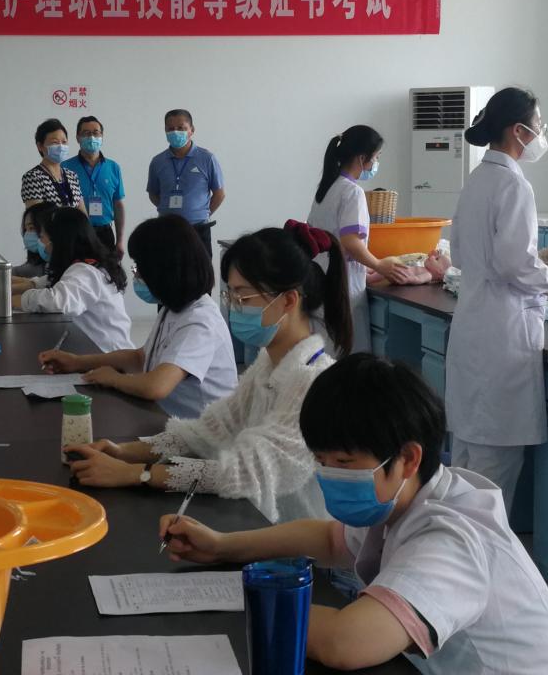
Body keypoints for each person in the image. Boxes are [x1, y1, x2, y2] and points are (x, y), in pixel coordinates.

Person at [160, 354, 548, 674]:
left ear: (408, 458)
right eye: (321, 460)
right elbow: (328, 538)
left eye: (343, 461)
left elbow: (345, 643)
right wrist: (222, 546)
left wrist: (239, 602)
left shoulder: (453, 539)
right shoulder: (404, 500)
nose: (328, 474)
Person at [63, 223, 353, 524]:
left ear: (288, 301)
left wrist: (137, 473)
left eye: (243, 298)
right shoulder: (266, 366)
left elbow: (242, 473)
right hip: (258, 524)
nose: (234, 309)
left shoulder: (312, 382)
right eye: (230, 296)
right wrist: (123, 452)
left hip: (292, 539)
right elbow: (208, 432)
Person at [446, 87, 548, 512]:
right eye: (538, 124)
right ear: (518, 130)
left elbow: (458, 254)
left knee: (465, 468)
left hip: (473, 324)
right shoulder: (513, 183)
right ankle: (480, 552)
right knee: (492, 479)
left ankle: (454, 547)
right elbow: (515, 262)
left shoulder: (477, 179)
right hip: (501, 334)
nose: (541, 132)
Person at [39, 215, 237, 419]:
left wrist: (113, 379)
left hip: (206, 432)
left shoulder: (200, 320)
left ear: (164, 270)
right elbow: (141, 357)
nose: (137, 275)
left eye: (140, 267)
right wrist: (77, 362)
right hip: (170, 420)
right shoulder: (173, 308)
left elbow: (156, 386)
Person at [308, 126, 411, 353]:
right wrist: (380, 265)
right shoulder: (352, 192)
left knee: (324, 354)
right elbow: (350, 242)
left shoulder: (326, 189)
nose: (376, 163)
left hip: (322, 281)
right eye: (376, 157)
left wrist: (366, 269)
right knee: (347, 356)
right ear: (362, 158)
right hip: (343, 287)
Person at [0, 207, 132, 352]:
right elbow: (46, 282)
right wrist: (6, 290)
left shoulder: (86, 271)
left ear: (59, 241)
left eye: (42, 237)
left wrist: (12, 301)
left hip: (107, 356)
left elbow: (57, 301)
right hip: (95, 352)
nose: (41, 243)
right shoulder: (84, 265)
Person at [146, 109, 224, 257]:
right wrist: (169, 211)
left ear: (191, 130)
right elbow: (153, 194)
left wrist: (202, 213)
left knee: (199, 270)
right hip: (167, 230)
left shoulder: (207, 158)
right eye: (170, 128)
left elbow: (219, 194)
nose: (175, 132)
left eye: (181, 128)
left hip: (198, 230)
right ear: (165, 131)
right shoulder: (157, 161)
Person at [62, 116, 125, 256]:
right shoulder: (65, 167)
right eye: (86, 133)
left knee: (106, 269)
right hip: (76, 234)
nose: (91, 137)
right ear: (78, 138)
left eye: (96, 133)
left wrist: (120, 240)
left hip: (105, 233)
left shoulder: (113, 167)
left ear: (102, 136)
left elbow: (118, 204)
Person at [20, 118, 85, 211]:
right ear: (40, 146)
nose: (61, 146)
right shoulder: (33, 177)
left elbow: (82, 213)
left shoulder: (72, 176)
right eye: (55, 142)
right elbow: (36, 216)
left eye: (64, 142)